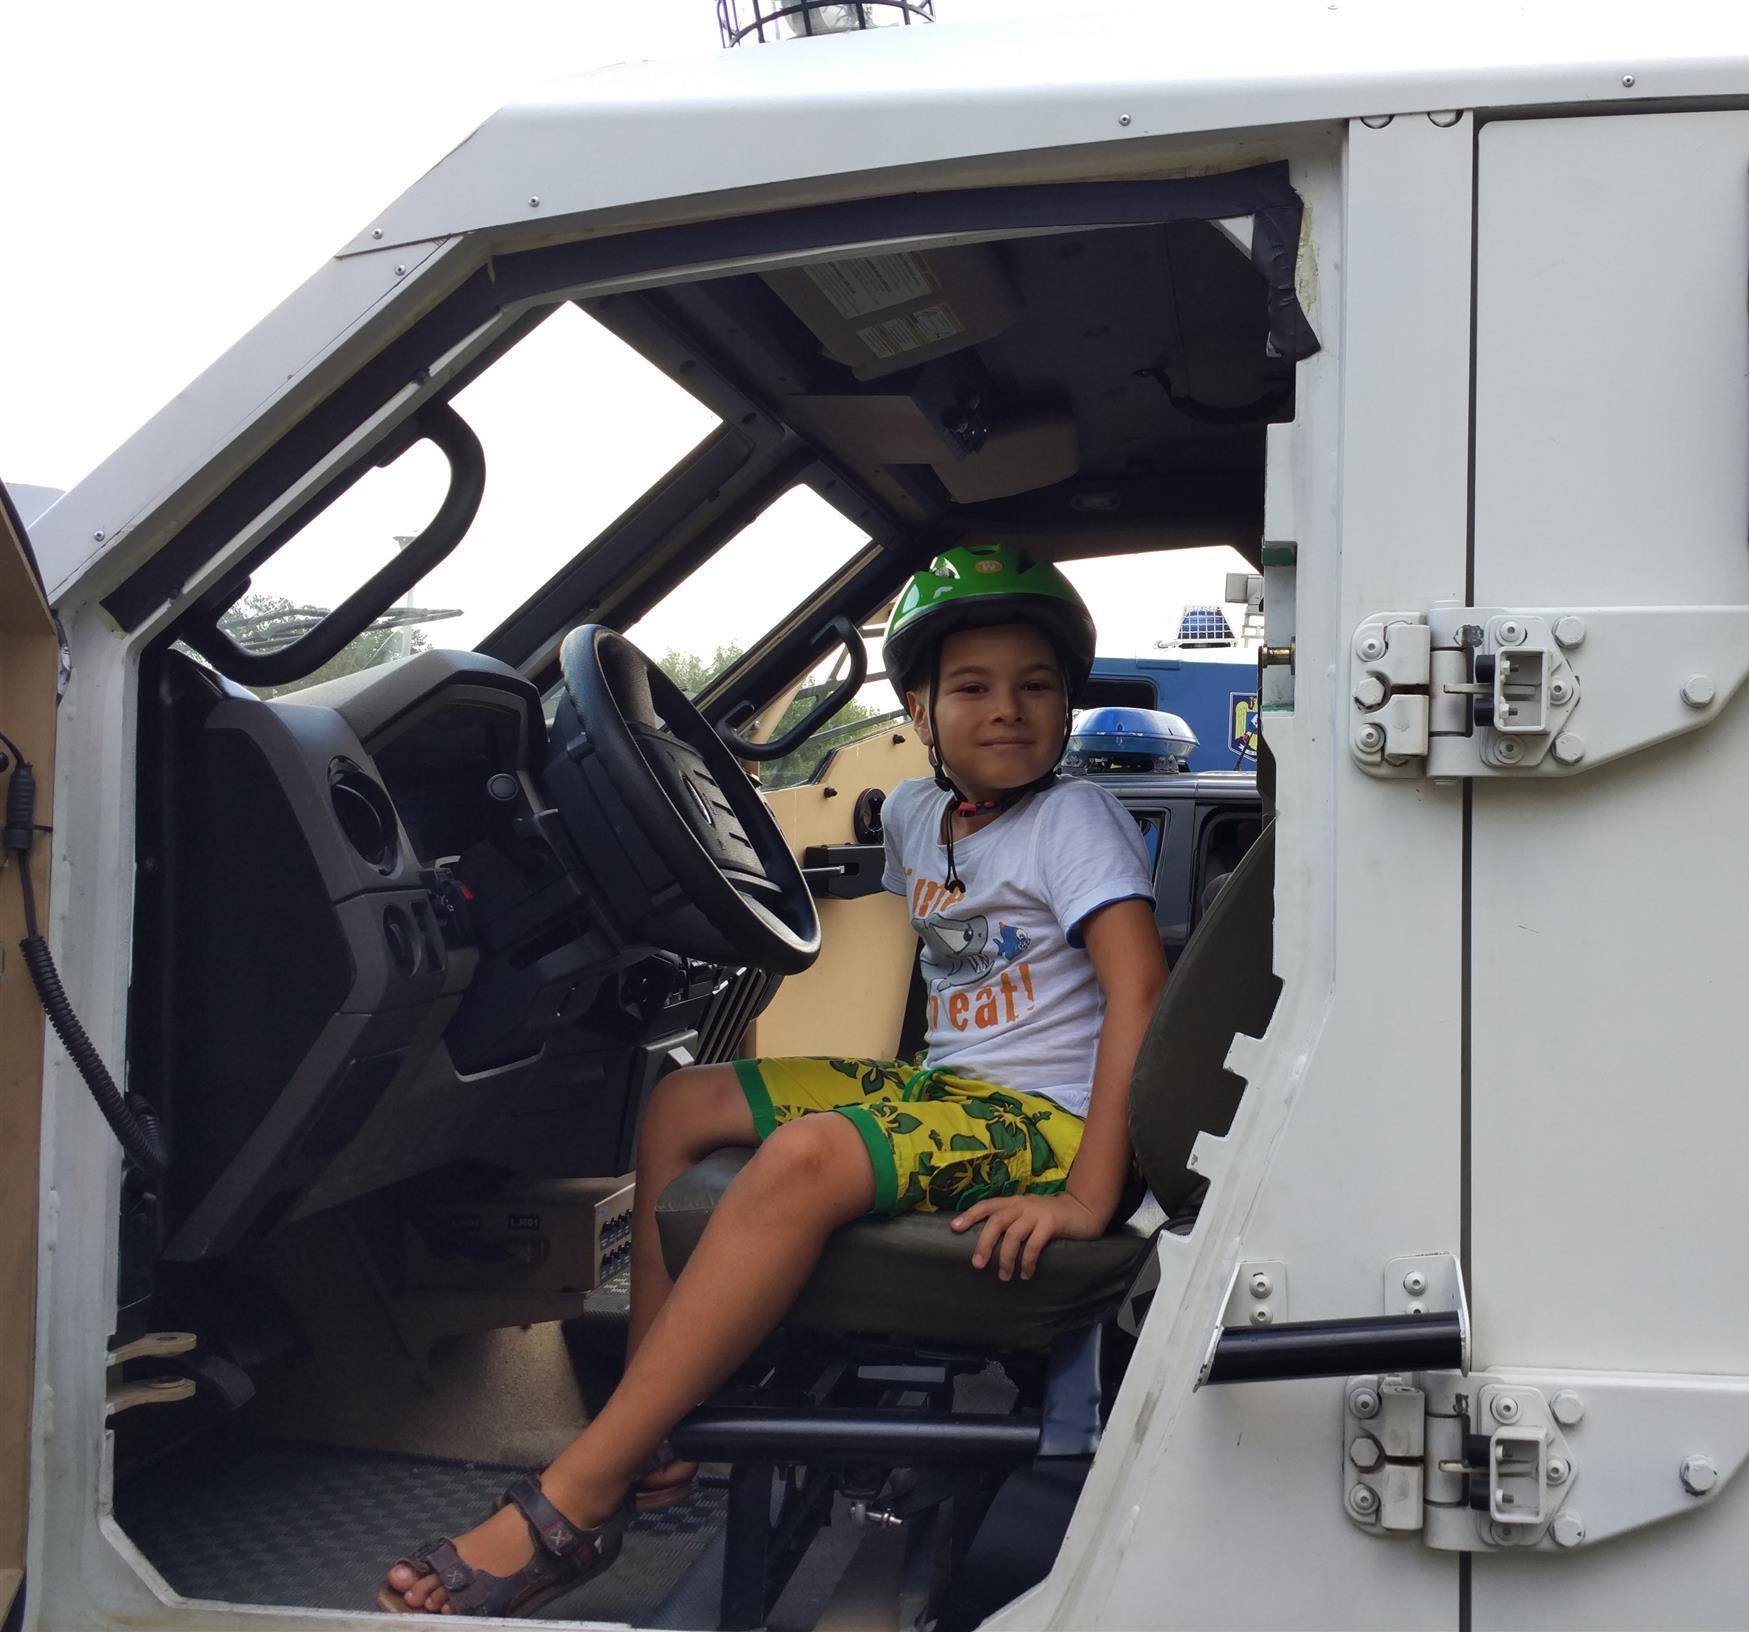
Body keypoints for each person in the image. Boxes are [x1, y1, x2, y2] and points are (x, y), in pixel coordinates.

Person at [380, 544, 1165, 1617]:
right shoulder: (914, 816)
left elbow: (1138, 991)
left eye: (1036, 687)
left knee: (807, 1155)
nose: (1008, 711)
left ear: (1067, 705)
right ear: (920, 713)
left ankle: (578, 1495)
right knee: (685, 1102)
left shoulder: (1076, 822)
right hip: (951, 1092)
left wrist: (1085, 1197)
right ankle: (656, 1424)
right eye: (973, 688)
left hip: (1048, 1122)